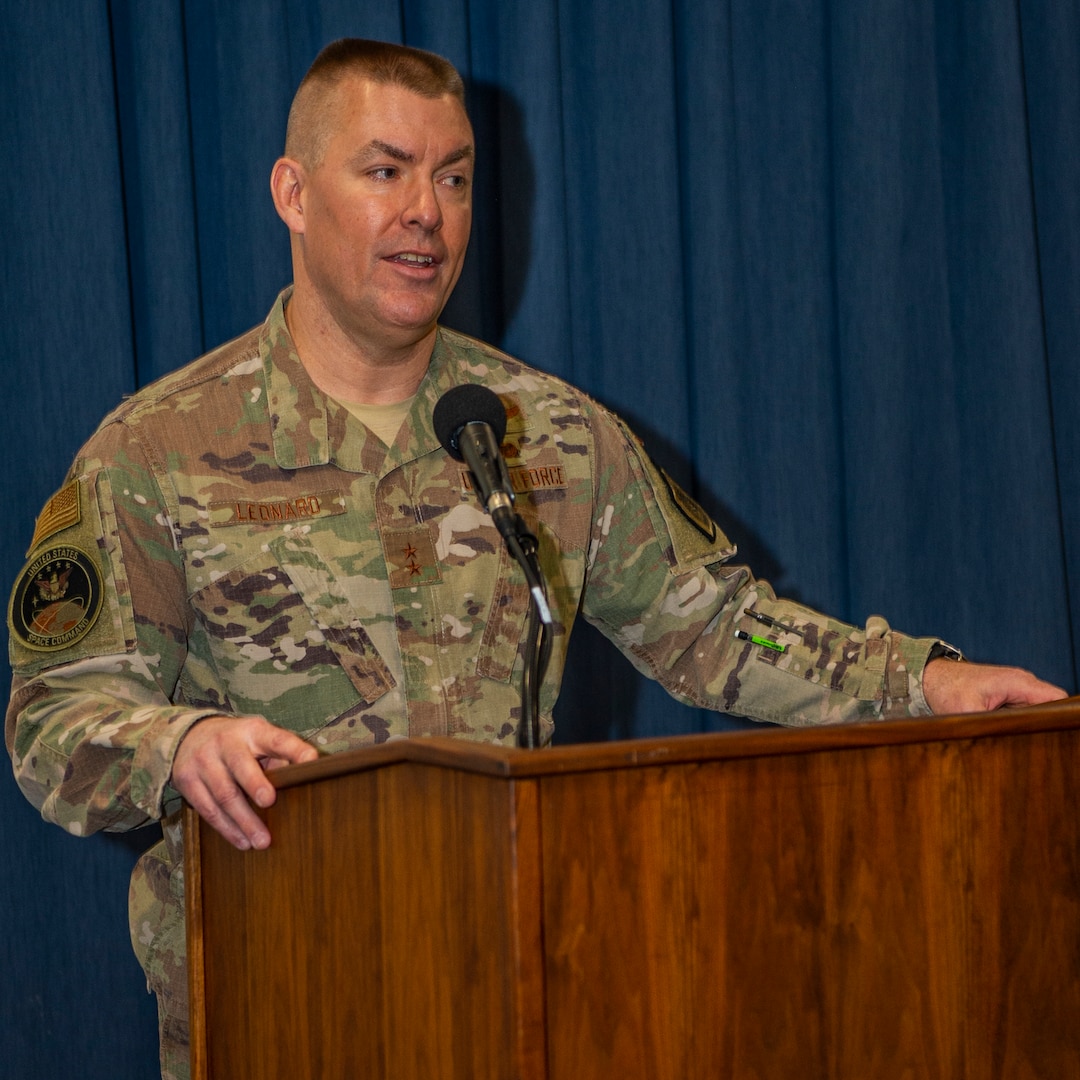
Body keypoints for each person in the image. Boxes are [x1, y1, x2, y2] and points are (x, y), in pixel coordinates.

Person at [5, 38, 1065, 1080]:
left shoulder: (544, 435)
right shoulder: (155, 450)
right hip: (277, 993)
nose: (427, 211)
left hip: (513, 987)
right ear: (292, 191)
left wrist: (920, 682)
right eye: (385, 171)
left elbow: (713, 628)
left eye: (453, 176)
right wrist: (180, 743)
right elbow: (53, 721)